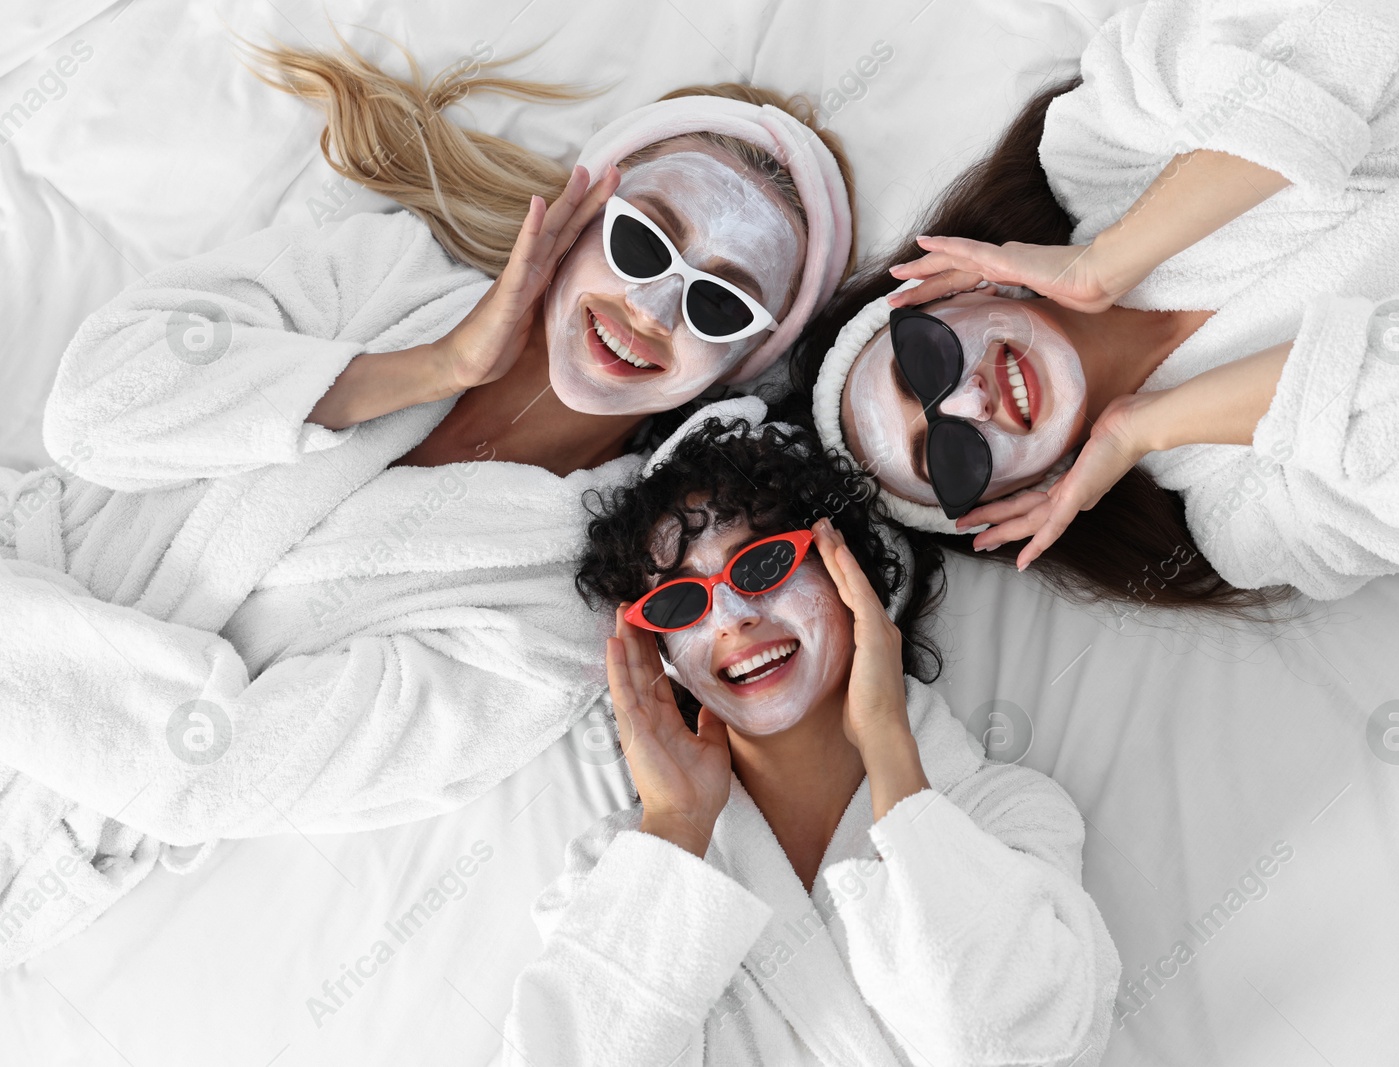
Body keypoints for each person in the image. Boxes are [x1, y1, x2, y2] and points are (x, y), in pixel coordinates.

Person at [0, 37, 854, 969]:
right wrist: (429, 367)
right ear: (580, 215)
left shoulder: (563, 613)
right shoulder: (378, 274)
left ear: (742, 369)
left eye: (720, 305)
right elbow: (91, 413)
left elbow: (212, 767)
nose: (652, 307)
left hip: (39, 818)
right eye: (640, 241)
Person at [804, 0, 1399, 605]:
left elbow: (1372, 25)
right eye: (949, 456)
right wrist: (1140, 427)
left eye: (924, 362)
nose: (970, 400)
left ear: (951, 288)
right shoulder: (1245, 518)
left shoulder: (1100, 142)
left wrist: (1108, 260)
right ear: (1009, 503)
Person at [498, 402, 1120, 1066]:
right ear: (664, 655)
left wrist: (892, 755)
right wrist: (677, 825)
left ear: (850, 574)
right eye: (683, 602)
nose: (732, 619)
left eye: (762, 565)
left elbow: (1013, 1042)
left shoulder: (1008, 815)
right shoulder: (624, 869)